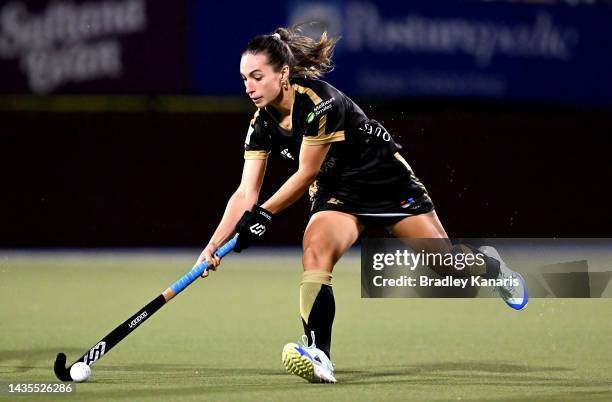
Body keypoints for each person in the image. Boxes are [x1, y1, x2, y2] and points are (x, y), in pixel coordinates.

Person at [196, 26, 528, 384]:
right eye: (245, 78)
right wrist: (213, 245)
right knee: (315, 249)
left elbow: (305, 173)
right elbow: (245, 193)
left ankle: (490, 266)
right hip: (338, 191)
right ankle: (319, 353)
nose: (249, 86)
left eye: (257, 77)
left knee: (445, 265)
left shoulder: (320, 102)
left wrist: (263, 215)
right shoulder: (260, 124)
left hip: (384, 178)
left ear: (283, 73)